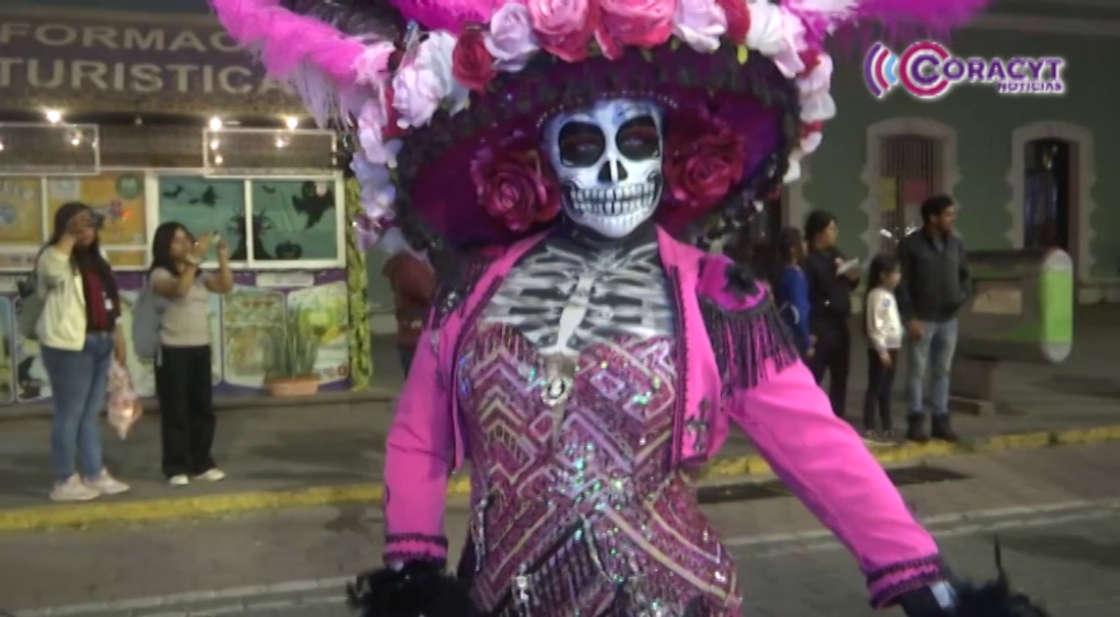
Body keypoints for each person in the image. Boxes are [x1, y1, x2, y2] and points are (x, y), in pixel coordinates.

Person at [213, 1, 1039, 616]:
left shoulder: (724, 296)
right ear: (542, 161)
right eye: (582, 144)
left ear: (669, 152)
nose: (611, 168)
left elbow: (820, 448)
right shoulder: (473, 287)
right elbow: (421, 435)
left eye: (635, 140)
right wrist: (414, 566)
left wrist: (926, 583)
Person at [36, 202, 130, 502]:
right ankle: (64, 480)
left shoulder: (99, 257)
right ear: (64, 227)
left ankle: (94, 473)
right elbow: (52, 273)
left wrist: (118, 334)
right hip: (69, 345)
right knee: (69, 413)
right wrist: (68, 236)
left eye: (88, 225)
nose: (84, 231)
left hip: (100, 340)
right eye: (77, 224)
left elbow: (109, 299)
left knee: (89, 414)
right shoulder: (54, 256)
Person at [149, 222, 234, 487]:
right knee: (176, 410)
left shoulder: (197, 272)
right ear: (165, 246)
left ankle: (202, 462)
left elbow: (224, 286)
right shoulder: (159, 274)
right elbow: (179, 290)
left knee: (202, 409)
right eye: (177, 240)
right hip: (172, 349)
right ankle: (175, 466)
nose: (185, 244)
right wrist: (195, 258)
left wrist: (222, 259)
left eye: (187, 239)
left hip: (200, 347)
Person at [897, 195, 971, 443]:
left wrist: (961, 297)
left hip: (948, 319)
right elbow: (902, 285)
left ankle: (941, 420)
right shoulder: (910, 246)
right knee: (917, 372)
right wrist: (909, 318)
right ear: (932, 218)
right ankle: (916, 421)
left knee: (943, 371)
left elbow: (965, 275)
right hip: (921, 319)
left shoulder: (956, 243)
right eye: (948, 214)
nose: (953, 219)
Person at [803, 210, 860, 419]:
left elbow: (850, 282)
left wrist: (852, 275)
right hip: (821, 324)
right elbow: (812, 293)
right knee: (814, 374)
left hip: (840, 323)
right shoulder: (809, 261)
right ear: (819, 232)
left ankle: (838, 417)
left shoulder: (837, 254)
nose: (835, 233)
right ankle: (809, 417)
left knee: (841, 374)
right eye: (831, 229)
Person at [379, 227, 436, 374]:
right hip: (418, 340)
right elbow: (431, 294)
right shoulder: (408, 264)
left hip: (419, 338)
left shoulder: (412, 262)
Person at [864, 254, 904, 439]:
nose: (898, 276)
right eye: (895, 272)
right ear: (883, 275)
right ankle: (870, 425)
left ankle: (887, 425)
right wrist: (881, 350)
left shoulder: (889, 295)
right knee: (876, 387)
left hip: (893, 346)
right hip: (882, 349)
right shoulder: (876, 295)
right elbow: (875, 325)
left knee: (886, 388)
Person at [772, 227, 812, 358]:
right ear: (793, 249)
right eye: (802, 241)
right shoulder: (795, 276)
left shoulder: (781, 273)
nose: (805, 245)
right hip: (795, 337)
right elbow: (798, 310)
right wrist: (807, 341)